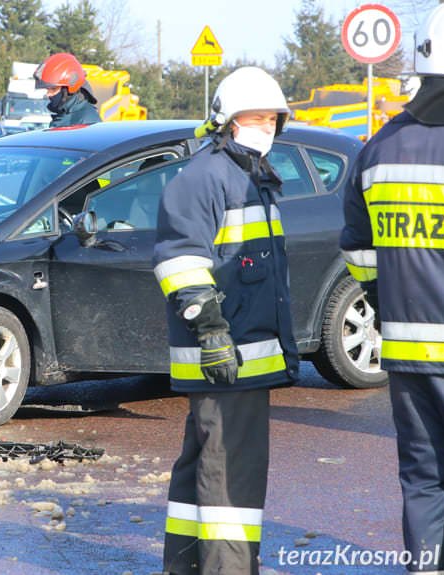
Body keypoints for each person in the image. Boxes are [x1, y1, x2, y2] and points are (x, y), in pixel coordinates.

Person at [154, 67, 298, 575]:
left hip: (240, 357)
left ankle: (186, 566)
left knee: (203, 465)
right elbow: (180, 263)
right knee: (231, 475)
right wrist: (212, 331)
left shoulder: (249, 176)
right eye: (256, 118)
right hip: (227, 356)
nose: (267, 128)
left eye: (272, 119)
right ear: (228, 121)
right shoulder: (207, 178)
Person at [341, 5, 444, 572]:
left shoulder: (379, 147)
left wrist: (384, 301)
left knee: (424, 476)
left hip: (408, 349)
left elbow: (357, 250)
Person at [33, 53, 101, 127]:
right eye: (47, 89)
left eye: (53, 89)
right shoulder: (65, 115)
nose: (48, 94)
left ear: (69, 89)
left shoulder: (87, 121)